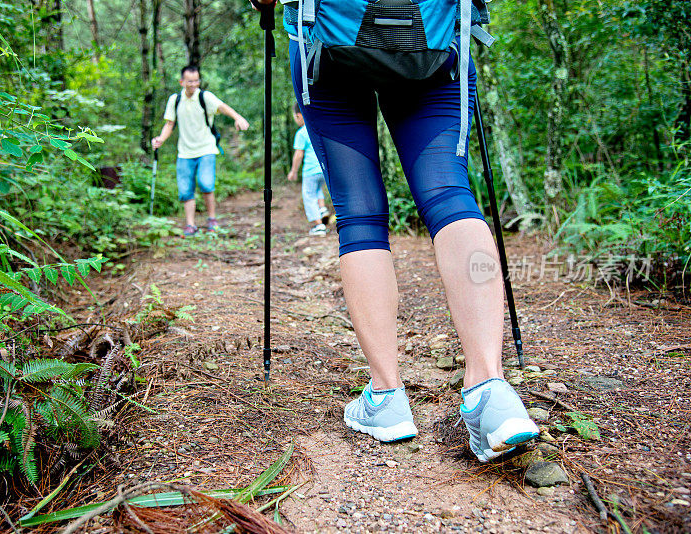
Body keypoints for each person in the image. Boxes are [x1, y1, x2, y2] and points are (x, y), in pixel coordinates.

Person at [255, 0, 539, 463]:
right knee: (450, 196)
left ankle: (387, 398)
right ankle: (491, 389)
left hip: (326, 48)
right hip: (433, 43)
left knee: (359, 214)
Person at [152, 65, 250, 236]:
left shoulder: (205, 97)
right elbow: (169, 124)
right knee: (185, 190)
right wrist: (161, 139)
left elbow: (222, 107)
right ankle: (190, 225)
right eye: (190, 81)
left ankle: (212, 220)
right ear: (182, 82)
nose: (193, 84)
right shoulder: (174, 100)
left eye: (196, 80)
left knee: (206, 183)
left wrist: (237, 117)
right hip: (184, 152)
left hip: (206, 149)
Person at [287, 102, 330, 236]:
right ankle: (322, 209)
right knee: (317, 190)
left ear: (299, 116)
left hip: (310, 171)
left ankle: (319, 226)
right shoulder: (317, 129)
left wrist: (293, 171)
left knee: (308, 196)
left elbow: (299, 154)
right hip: (323, 170)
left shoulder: (301, 133)